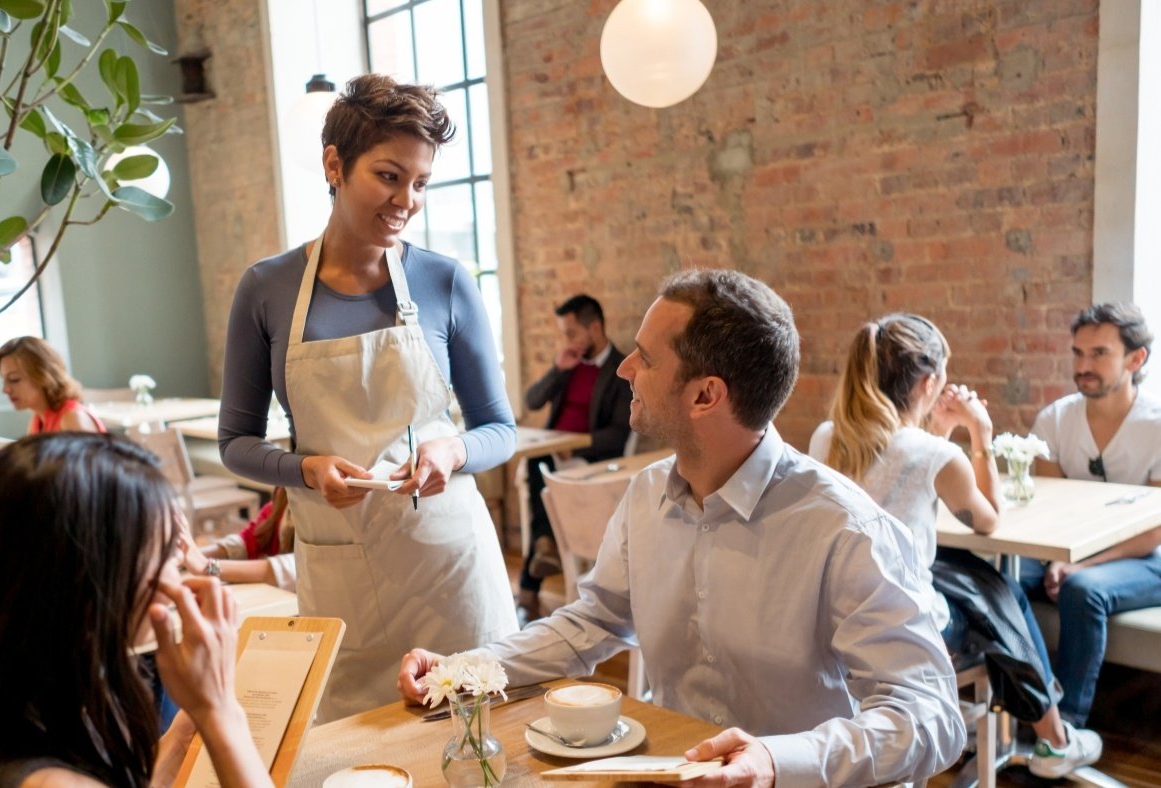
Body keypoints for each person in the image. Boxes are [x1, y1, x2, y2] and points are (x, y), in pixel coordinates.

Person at [398, 270, 965, 786]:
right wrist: (463, 671)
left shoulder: (847, 529)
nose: (624, 368)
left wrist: (775, 760)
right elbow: (592, 622)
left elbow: (932, 715)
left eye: (644, 358)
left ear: (704, 395)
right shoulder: (647, 495)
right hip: (669, 772)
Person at [218, 73, 518, 720]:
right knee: (353, 750)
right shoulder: (267, 289)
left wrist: (452, 452)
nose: (406, 200)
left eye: (421, 183)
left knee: (474, 745)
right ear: (335, 165)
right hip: (342, 578)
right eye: (389, 176)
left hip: (450, 573)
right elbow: (235, 443)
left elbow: (499, 429)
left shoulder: (444, 281)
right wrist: (305, 469)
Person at [809, 313, 1102, 778]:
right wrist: (980, 433)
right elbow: (988, 519)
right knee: (999, 595)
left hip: (833, 615)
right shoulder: (935, 454)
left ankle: (1024, 729)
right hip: (902, 624)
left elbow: (903, 483)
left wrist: (938, 431)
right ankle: (1052, 737)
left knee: (982, 583)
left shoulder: (827, 436)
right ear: (928, 383)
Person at [0, 433, 271, 788]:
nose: (177, 575)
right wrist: (220, 712)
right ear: (89, 577)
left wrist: (184, 734)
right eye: (165, 552)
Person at [1024, 303, 1161, 730]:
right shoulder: (1055, 420)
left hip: (1148, 557)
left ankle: (1064, 730)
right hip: (1069, 550)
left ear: (1136, 359)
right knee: (996, 576)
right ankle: (1029, 704)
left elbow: (1153, 532)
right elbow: (1050, 509)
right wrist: (1057, 558)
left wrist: (1079, 565)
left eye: (1099, 353)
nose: (1083, 366)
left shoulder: (1156, 427)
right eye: (1078, 353)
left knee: (1082, 589)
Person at [518, 294, 631, 621]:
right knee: (537, 461)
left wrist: (576, 448)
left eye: (571, 333)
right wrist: (557, 369)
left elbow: (619, 434)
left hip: (589, 461)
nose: (567, 341)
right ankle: (544, 545)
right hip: (551, 455)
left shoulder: (620, 369)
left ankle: (530, 585)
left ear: (594, 328)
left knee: (540, 468)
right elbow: (532, 401)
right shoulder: (568, 365)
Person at [181, 487, 298, 590]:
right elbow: (250, 539)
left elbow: (289, 569)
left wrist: (207, 566)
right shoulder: (284, 494)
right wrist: (188, 554)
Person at [0, 335, 106, 434]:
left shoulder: (72, 418)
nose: (5, 390)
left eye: (14, 379)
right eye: (4, 380)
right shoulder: (37, 421)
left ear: (43, 376)